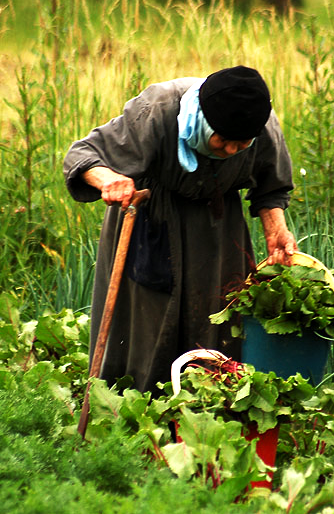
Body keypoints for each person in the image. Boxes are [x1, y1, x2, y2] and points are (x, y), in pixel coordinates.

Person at [63, 65, 297, 395]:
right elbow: (83, 155)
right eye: (224, 140)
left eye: (241, 145)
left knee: (218, 325)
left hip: (219, 232)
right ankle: (131, 412)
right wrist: (108, 180)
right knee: (148, 330)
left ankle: (208, 413)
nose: (232, 151)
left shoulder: (260, 125)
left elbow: (271, 188)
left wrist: (276, 230)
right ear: (205, 120)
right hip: (151, 223)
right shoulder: (159, 111)